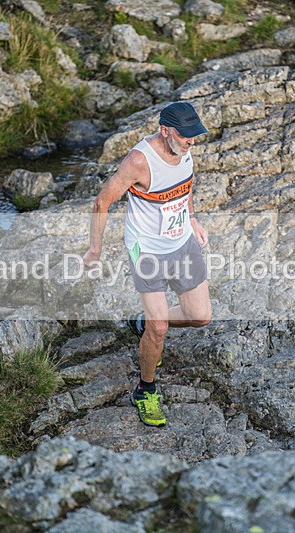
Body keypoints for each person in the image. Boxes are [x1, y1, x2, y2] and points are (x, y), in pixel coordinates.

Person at [82, 102, 212, 427]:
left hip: (182, 242)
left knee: (201, 317)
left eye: (194, 137)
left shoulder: (185, 150)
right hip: (148, 250)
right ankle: (145, 388)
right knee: (160, 328)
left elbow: (185, 186)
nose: (190, 142)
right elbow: (102, 201)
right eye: (185, 136)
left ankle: (142, 323)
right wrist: (94, 250)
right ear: (165, 130)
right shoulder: (139, 161)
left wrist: (193, 220)